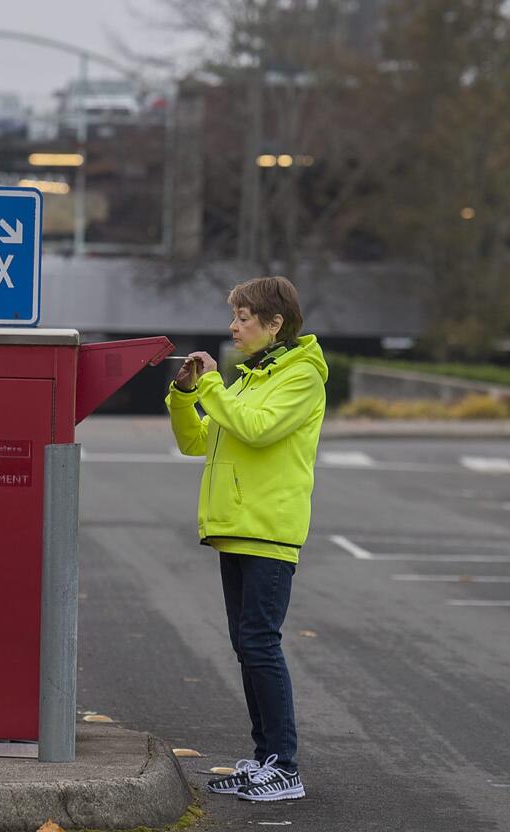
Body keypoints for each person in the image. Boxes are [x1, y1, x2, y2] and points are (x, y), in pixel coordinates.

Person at [164, 276, 328, 803]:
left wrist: (212, 387)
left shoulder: (302, 377)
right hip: (236, 527)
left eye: (243, 318)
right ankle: (264, 761)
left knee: (260, 643)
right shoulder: (253, 378)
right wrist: (185, 394)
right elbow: (197, 441)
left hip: (268, 529)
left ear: (275, 324)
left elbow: (257, 430)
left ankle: (285, 767)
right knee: (247, 646)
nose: (233, 327)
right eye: (234, 317)